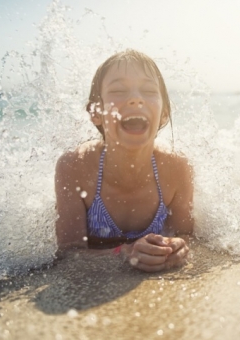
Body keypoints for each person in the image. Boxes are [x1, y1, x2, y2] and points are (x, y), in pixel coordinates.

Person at [55, 49, 193, 272]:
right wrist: (124, 252)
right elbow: (68, 254)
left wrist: (178, 248)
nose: (135, 98)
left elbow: (186, 234)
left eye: (148, 90)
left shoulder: (176, 168)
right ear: (95, 112)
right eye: (118, 90)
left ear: (164, 113)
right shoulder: (75, 166)